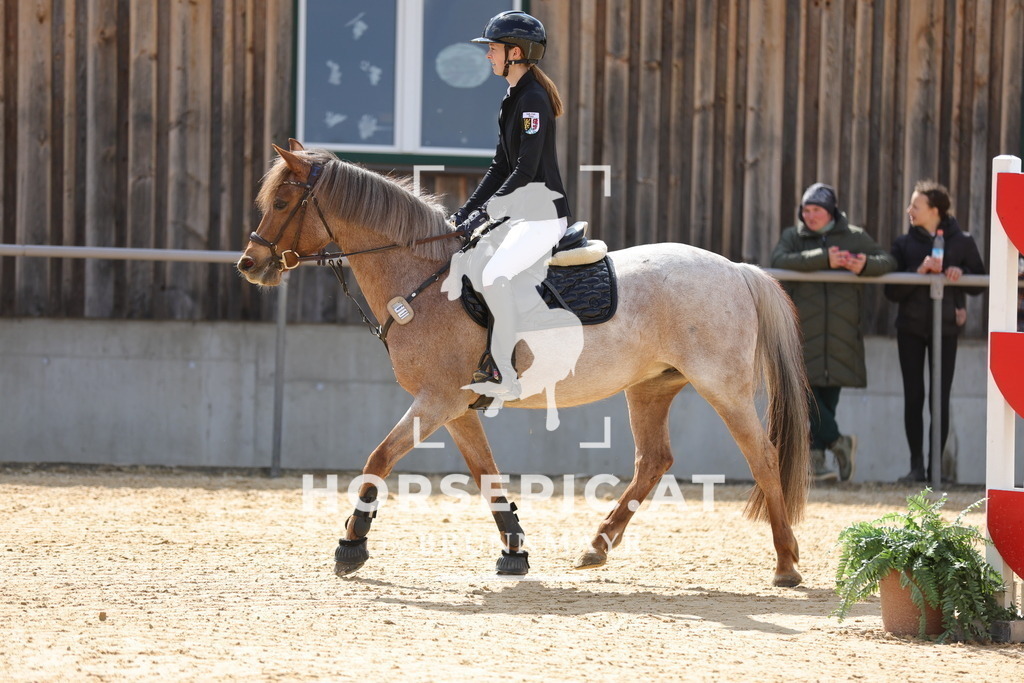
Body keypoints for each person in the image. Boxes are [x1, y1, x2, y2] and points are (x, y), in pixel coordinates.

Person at [449, 10, 571, 401]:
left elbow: (526, 168)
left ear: (514, 53)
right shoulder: (512, 99)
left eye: (493, 49)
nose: (488, 55)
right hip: (520, 214)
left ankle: (504, 372)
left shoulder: (533, 100)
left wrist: (490, 210)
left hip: (541, 215)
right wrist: (466, 212)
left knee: (496, 275)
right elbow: (500, 167)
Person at [771, 183, 896, 482]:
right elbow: (779, 261)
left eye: (816, 210)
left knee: (826, 399)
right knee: (805, 396)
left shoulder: (854, 236)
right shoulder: (793, 236)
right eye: (806, 209)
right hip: (804, 331)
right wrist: (825, 259)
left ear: (831, 212)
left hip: (841, 333)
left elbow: (887, 262)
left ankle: (817, 462)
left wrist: (863, 263)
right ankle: (839, 442)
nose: (809, 215)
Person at [884, 180, 986, 483]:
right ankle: (916, 467)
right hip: (910, 330)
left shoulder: (963, 241)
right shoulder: (903, 244)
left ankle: (935, 470)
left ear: (934, 210)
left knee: (939, 399)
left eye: (915, 205)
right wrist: (919, 273)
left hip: (946, 331)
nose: (909, 210)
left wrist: (962, 274)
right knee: (913, 397)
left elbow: (980, 282)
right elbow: (891, 291)